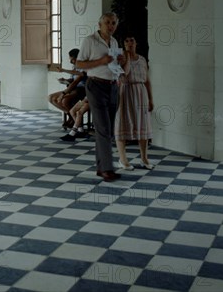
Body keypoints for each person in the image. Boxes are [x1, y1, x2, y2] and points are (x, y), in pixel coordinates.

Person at [75, 12, 126, 182]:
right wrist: (100, 61)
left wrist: (121, 61)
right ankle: (107, 169)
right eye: (107, 23)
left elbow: (114, 65)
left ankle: (100, 167)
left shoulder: (114, 41)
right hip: (95, 85)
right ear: (99, 25)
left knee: (108, 129)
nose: (110, 26)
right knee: (103, 128)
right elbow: (79, 64)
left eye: (113, 23)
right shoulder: (89, 41)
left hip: (112, 86)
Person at [114, 35, 155, 171]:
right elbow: (124, 74)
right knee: (122, 123)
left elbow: (147, 80)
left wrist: (151, 99)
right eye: (126, 41)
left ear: (136, 42)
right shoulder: (121, 59)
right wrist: (127, 58)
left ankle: (144, 158)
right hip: (125, 92)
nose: (129, 43)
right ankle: (123, 159)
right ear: (123, 44)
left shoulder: (142, 59)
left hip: (141, 92)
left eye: (132, 40)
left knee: (142, 125)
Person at [48, 49, 86, 128]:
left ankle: (77, 126)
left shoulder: (84, 65)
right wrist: (65, 80)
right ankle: (70, 115)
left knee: (65, 100)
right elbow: (72, 80)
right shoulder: (75, 66)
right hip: (72, 88)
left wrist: (63, 93)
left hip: (81, 89)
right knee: (51, 98)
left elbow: (77, 80)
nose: (71, 61)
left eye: (72, 59)